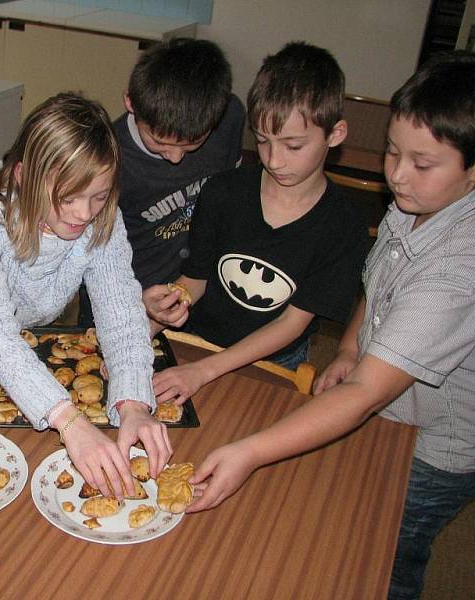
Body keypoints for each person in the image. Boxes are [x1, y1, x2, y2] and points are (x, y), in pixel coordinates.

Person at [186, 51, 475, 600]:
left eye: (422, 163)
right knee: (346, 521)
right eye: (393, 152)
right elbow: (381, 282)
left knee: (388, 556)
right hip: (384, 405)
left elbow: (367, 393)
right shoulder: (416, 201)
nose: (396, 175)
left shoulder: (460, 268)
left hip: (436, 445)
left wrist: (248, 452)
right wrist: (347, 348)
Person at [0, 93, 173, 499]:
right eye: (68, 197)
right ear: (22, 175)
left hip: (35, 339)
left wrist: (134, 403)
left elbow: (121, 309)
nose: (84, 213)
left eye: (99, 196)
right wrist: (69, 421)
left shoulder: (100, 213)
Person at [145, 42, 368, 404]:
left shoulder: (343, 226)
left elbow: (290, 324)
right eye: (263, 141)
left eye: (293, 146)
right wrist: (161, 312)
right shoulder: (223, 192)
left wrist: (205, 370)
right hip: (196, 344)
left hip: (273, 363)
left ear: (335, 134)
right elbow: (195, 280)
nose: (275, 160)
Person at [78, 38, 245, 326]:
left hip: (197, 289)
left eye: (193, 143)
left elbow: (228, 197)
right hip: (122, 300)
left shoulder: (230, 117)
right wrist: (133, 302)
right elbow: (91, 257)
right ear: (130, 102)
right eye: (159, 142)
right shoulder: (107, 159)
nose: (176, 157)